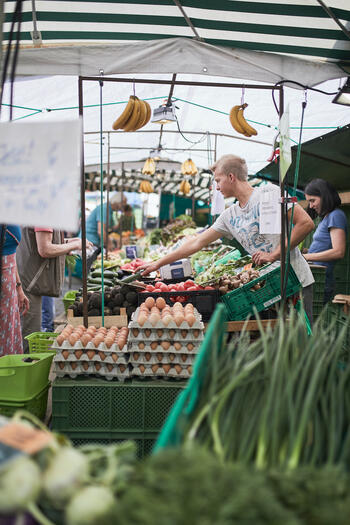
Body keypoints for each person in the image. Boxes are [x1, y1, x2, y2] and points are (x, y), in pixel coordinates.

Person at [140, 154, 315, 321]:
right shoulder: (229, 215)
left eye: (218, 180)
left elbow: (306, 224)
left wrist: (274, 254)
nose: (216, 187)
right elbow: (197, 242)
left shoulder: (270, 193)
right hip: (267, 287)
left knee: (301, 340)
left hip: (295, 280)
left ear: (231, 177)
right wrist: (158, 263)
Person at [16, 227, 92, 352]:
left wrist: (70, 242)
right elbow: (45, 249)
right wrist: (74, 245)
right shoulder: (44, 212)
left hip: (28, 277)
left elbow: (41, 240)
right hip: (30, 281)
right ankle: (26, 366)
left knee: (27, 331)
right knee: (28, 337)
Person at [303, 179, 347, 304]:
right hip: (315, 278)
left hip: (321, 281)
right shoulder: (327, 217)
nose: (311, 206)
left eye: (313, 200)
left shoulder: (336, 215)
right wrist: (308, 251)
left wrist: (306, 256)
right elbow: (326, 245)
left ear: (325, 197)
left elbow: (338, 251)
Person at [0, 225, 30, 355]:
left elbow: (12, 254)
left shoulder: (9, 213)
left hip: (9, 287)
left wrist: (18, 287)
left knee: (8, 337)